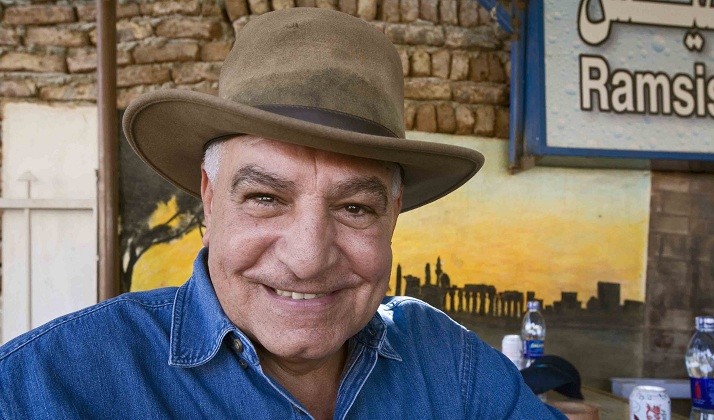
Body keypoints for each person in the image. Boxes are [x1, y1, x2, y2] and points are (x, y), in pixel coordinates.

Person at [0, 8, 565, 419]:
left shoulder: (453, 370)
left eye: (354, 207)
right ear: (210, 198)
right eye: (266, 198)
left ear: (393, 216)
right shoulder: (49, 387)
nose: (307, 259)